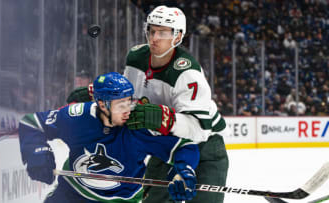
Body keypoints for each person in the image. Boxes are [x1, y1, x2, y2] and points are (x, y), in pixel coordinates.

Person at [66, 5, 229, 203]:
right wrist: (99, 94)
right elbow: (129, 98)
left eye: (163, 32)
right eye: (152, 31)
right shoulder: (136, 57)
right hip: (166, 145)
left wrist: (163, 118)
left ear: (177, 37)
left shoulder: (188, 74)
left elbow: (200, 130)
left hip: (206, 148)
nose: (154, 38)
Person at [18, 72, 199, 203]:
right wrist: (38, 155)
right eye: (121, 105)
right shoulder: (78, 117)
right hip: (73, 193)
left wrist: (184, 173)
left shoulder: (138, 128)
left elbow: (185, 147)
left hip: (121, 200)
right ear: (102, 104)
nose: (128, 110)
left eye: (129, 102)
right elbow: (32, 123)